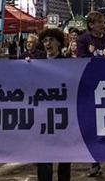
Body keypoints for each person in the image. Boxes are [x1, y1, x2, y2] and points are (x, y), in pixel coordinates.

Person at [76, 12, 105, 177]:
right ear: (91, 25)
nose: (103, 25)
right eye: (100, 22)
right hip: (92, 88)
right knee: (94, 126)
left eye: (103, 22)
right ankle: (95, 161)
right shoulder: (83, 40)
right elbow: (82, 60)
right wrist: (103, 58)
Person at [34, 28, 71, 181]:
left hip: (63, 115)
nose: (48, 43)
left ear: (59, 43)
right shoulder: (37, 63)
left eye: (51, 40)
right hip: (44, 116)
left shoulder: (68, 63)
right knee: (44, 155)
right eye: (45, 41)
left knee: (65, 156)